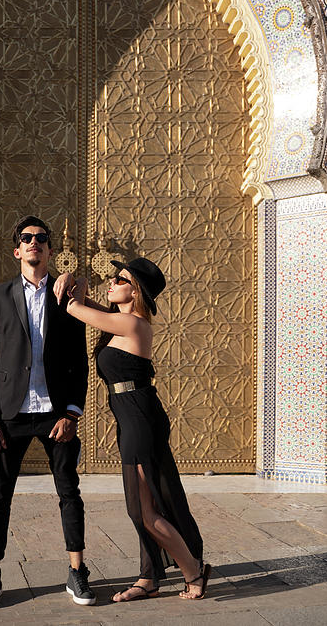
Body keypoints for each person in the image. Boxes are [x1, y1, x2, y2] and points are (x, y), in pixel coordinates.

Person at [64, 257, 211, 602]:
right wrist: (82, 289)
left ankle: (193, 570)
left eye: (120, 279)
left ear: (136, 291)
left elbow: (74, 308)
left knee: (143, 509)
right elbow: (94, 308)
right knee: (142, 505)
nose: (112, 282)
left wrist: (78, 287)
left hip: (140, 419)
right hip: (132, 416)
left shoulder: (133, 325)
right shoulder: (123, 321)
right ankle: (149, 577)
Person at [0, 216, 95, 609]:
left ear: (49, 249)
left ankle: (77, 572)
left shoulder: (66, 296)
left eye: (41, 239)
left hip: (56, 413)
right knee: (0, 495)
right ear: (17, 250)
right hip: (10, 414)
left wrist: (72, 413)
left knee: (68, 491)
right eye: (26, 239)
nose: (34, 244)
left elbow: (80, 359)